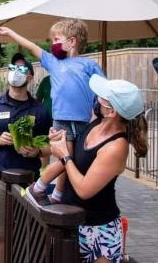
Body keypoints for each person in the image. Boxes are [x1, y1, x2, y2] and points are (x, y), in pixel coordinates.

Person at [0, 19, 103, 205]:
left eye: (57, 39)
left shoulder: (89, 65)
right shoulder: (53, 62)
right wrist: (9, 33)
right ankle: (39, 188)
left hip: (84, 122)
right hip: (62, 121)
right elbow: (31, 46)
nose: (53, 44)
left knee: (74, 161)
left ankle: (58, 195)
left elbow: (102, 91)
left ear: (72, 41)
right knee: (66, 158)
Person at [50, 74, 147, 263]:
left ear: (112, 112)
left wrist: (65, 156)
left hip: (99, 231)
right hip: (71, 220)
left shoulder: (116, 146)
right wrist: (59, 141)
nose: (97, 99)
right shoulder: (97, 120)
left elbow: (85, 189)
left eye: (102, 98)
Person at [0, 53, 52, 263]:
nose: (16, 73)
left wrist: (36, 151)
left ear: (31, 77)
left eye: (22, 69)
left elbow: (50, 146)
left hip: (29, 183)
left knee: (28, 234)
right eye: (12, 68)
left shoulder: (40, 110)